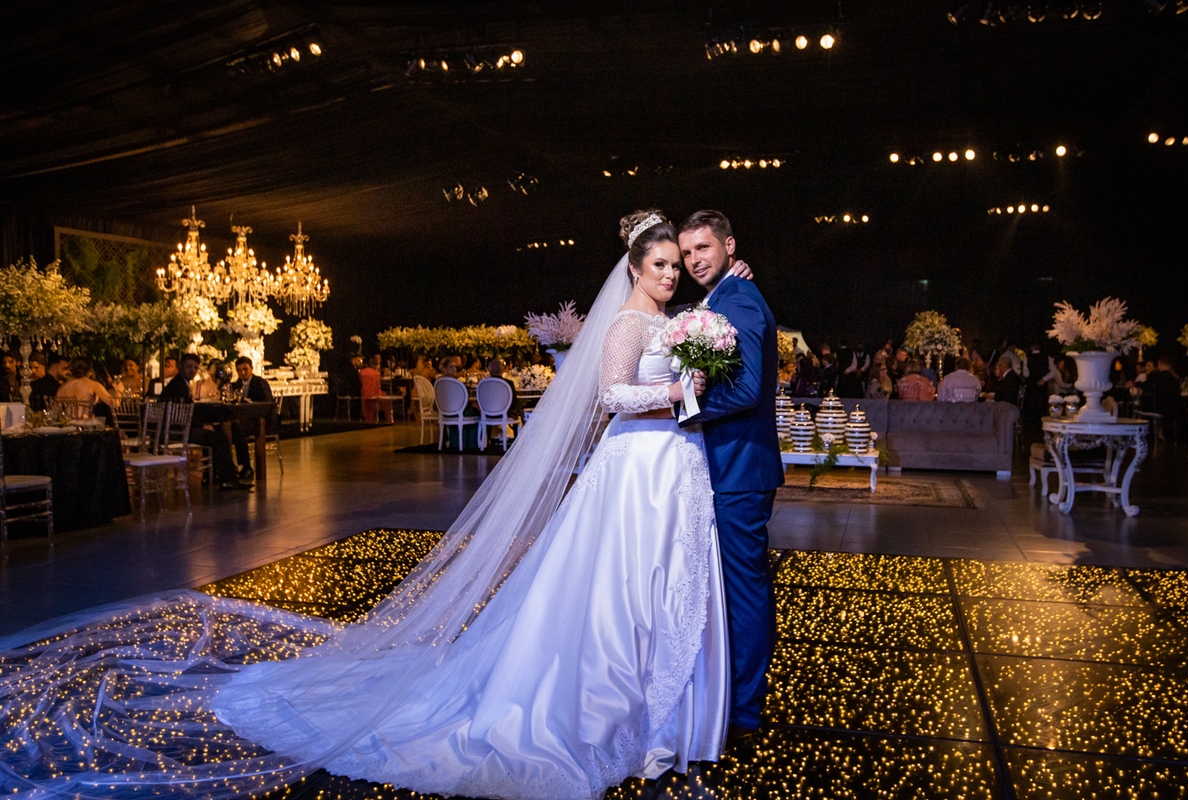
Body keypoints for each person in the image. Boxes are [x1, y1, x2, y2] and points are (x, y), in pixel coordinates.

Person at [0, 209, 746, 798]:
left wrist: (707, 333)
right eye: (660, 265)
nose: (670, 275)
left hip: (672, 468)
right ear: (634, 269)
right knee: (614, 588)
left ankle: (659, 706)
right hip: (635, 468)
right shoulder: (627, 323)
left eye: (676, 265)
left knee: (660, 585)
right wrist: (678, 389)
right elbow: (611, 395)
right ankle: (607, 706)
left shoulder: (676, 321)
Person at [677, 209, 783, 745]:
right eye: (687, 252)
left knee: (745, 590)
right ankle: (730, 695)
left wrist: (681, 412)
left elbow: (745, 390)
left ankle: (745, 712)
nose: (695, 260)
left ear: (729, 245)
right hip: (730, 465)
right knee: (734, 587)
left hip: (740, 468)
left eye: (704, 248)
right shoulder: (721, 297)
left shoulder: (737, 299)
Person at [160, 353, 251, 491]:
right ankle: (227, 479)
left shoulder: (179, 383)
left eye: (195, 368)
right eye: (189, 366)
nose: (192, 370)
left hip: (173, 431)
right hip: (177, 433)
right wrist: (202, 424)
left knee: (216, 436)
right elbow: (183, 414)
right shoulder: (178, 386)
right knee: (220, 439)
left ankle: (215, 476)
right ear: (180, 366)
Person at [229, 356, 277, 478]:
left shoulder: (260, 383)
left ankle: (246, 466)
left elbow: (268, 404)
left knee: (238, 430)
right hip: (241, 420)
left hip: (259, 421)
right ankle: (228, 467)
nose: (242, 373)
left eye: (245, 369)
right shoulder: (236, 384)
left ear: (252, 368)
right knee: (225, 430)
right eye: (239, 370)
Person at [359, 353, 390, 423]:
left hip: (364, 393)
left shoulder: (362, 372)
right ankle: (386, 416)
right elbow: (378, 385)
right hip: (374, 393)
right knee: (385, 397)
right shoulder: (376, 373)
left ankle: (368, 416)